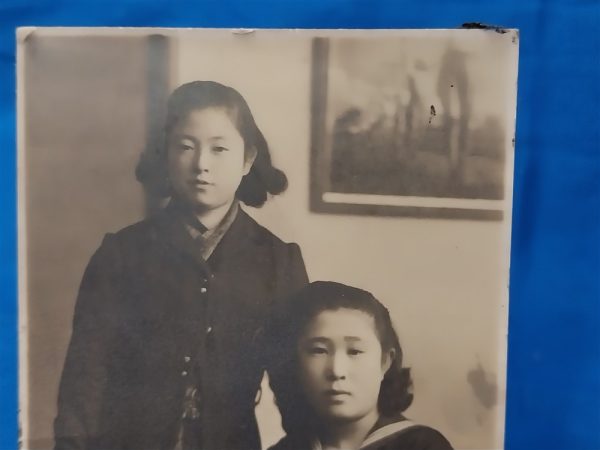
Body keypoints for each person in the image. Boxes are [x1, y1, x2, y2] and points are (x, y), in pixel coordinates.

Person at [54, 81, 308, 450]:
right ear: (166, 155)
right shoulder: (122, 255)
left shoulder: (277, 261)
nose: (202, 164)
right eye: (186, 147)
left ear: (248, 159)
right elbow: (84, 382)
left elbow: (296, 388)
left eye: (219, 149)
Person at [268, 281, 453, 450]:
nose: (336, 371)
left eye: (355, 351)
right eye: (319, 350)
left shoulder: (422, 446)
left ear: (385, 362)